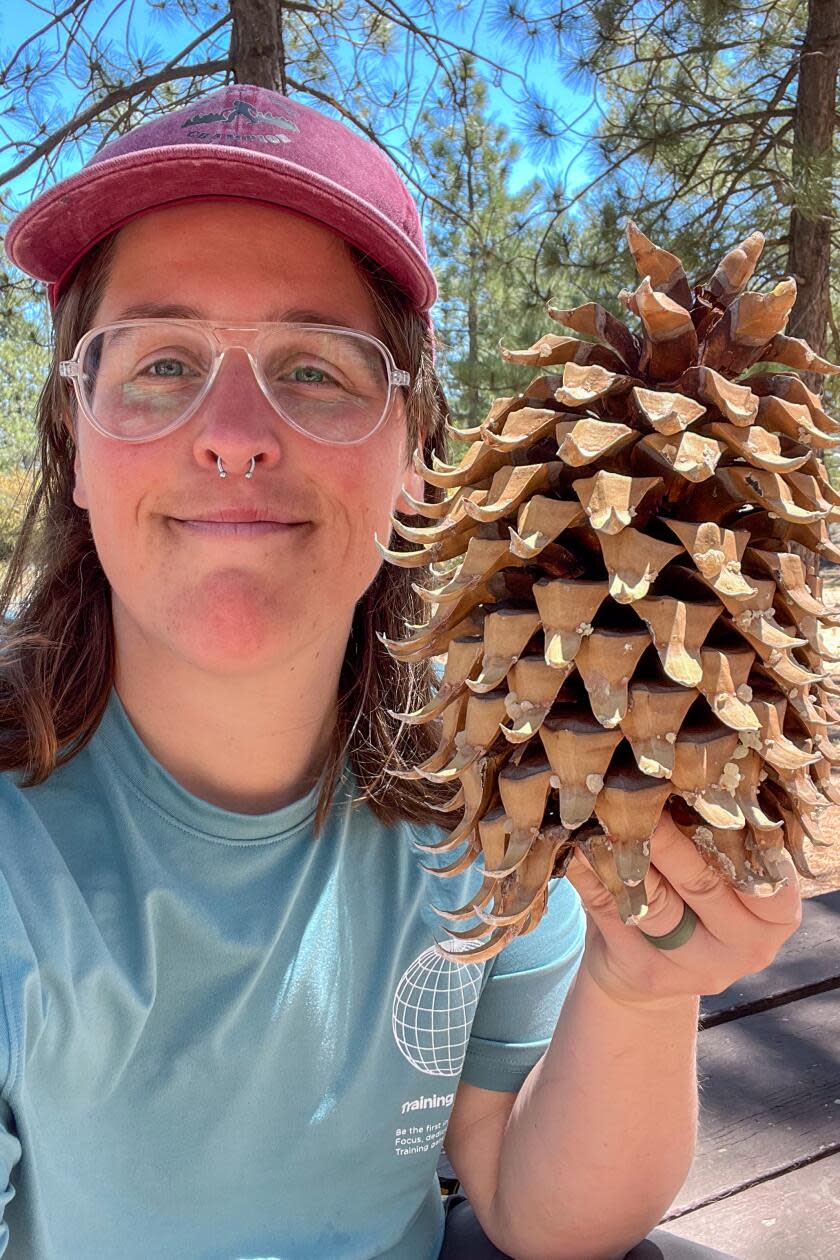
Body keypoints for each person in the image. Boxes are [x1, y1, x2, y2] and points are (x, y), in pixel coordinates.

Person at [0, 83, 800, 1260]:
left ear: (417, 456)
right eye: (160, 363)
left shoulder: (492, 789)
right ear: (76, 448)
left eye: (317, 366)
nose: (234, 430)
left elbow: (533, 1203)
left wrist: (641, 989)